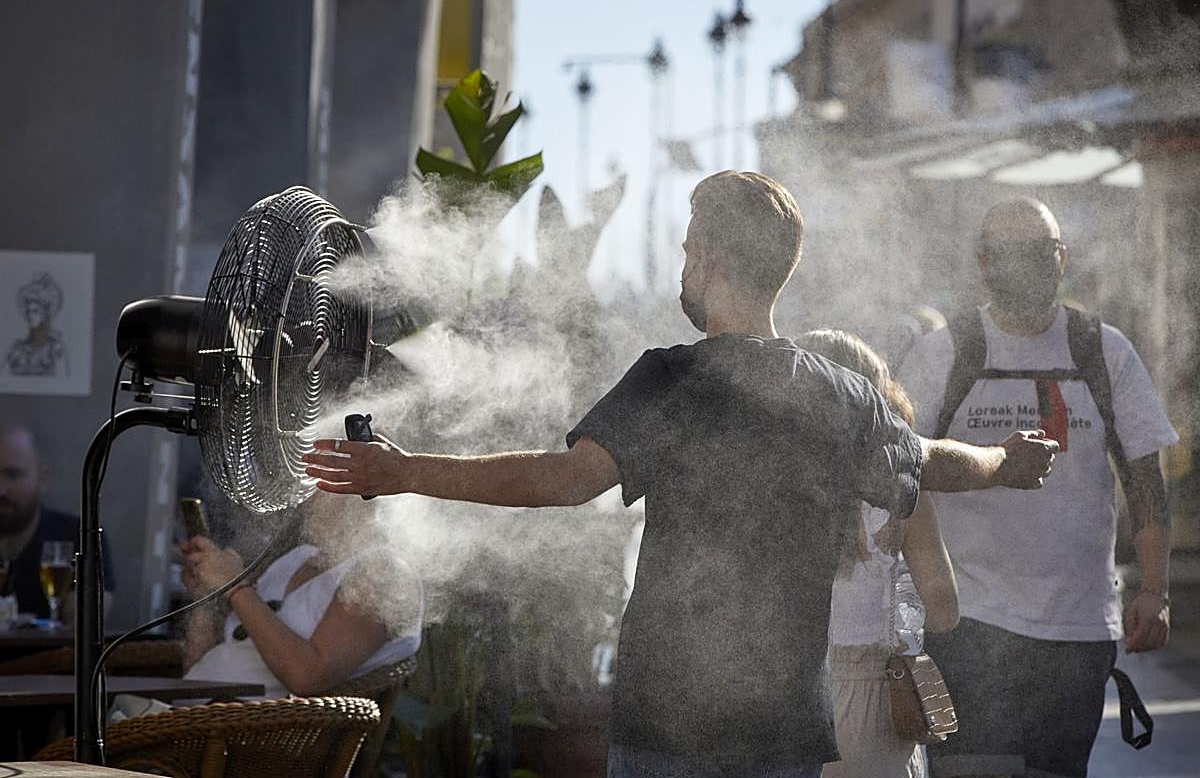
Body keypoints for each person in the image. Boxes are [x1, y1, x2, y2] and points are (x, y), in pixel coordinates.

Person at [303, 171, 1058, 776]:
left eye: (689, 248)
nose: (683, 266)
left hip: (666, 727)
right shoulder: (842, 394)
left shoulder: (670, 379)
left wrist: (406, 471)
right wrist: (1006, 463)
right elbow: (931, 460)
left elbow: (563, 481)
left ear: (712, 260)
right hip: (784, 732)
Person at [897, 197, 1177, 778]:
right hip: (968, 620)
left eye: (1041, 252)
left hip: (1076, 627)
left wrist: (1155, 589)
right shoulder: (944, 352)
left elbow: (1144, 480)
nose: (1027, 265)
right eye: (1011, 252)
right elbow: (902, 467)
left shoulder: (1103, 351)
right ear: (984, 260)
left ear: (1061, 257)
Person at [800, 329, 957, 778]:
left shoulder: (771, 488)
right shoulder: (904, 490)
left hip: (791, 701)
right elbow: (944, 612)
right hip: (876, 704)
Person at [179, 492, 423, 699]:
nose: (303, 499)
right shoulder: (300, 557)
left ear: (365, 493)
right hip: (193, 715)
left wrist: (235, 587)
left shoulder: (385, 573)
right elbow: (199, 667)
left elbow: (307, 678)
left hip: (254, 731)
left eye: (319, 486)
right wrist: (208, 596)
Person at [0, 423, 113, 620]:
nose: (1, 490)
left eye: (13, 475)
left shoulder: (79, 535)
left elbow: (88, 618)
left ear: (42, 477)